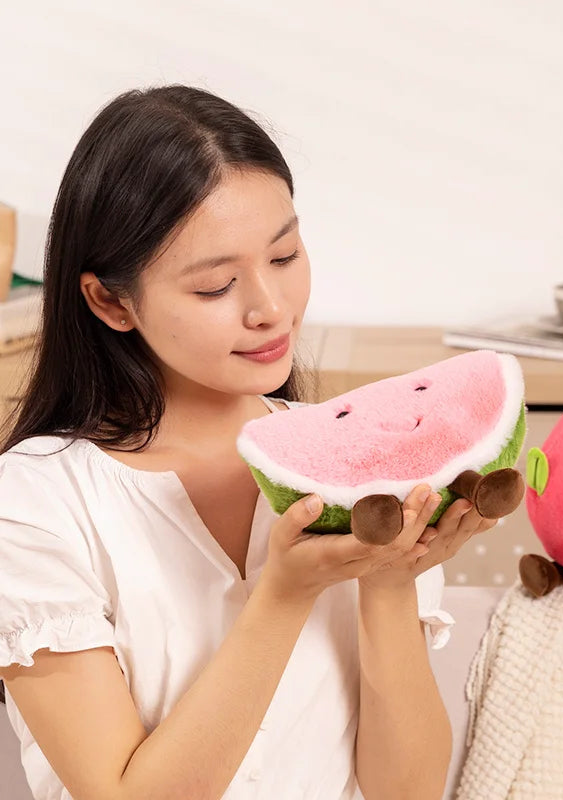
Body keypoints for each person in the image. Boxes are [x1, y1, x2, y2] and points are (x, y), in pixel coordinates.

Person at [0, 86, 499, 800]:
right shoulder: (33, 501)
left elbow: (406, 791)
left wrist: (390, 583)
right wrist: (284, 594)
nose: (270, 309)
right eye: (216, 286)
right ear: (111, 301)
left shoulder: (352, 467)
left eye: (286, 254)